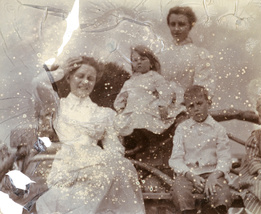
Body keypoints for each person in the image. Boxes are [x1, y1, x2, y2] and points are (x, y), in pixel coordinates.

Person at [32, 56, 145, 214]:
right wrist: (61, 71)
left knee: (122, 168)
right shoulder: (58, 106)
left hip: (97, 163)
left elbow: (114, 149)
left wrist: (109, 165)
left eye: (90, 78)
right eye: (80, 76)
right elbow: (38, 83)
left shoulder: (104, 114)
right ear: (69, 77)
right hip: (68, 163)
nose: (85, 82)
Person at [169, 85, 232, 214]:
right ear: (187, 109)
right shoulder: (182, 129)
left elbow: (225, 158)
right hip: (188, 174)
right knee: (180, 191)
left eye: (199, 103)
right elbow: (176, 159)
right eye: (191, 106)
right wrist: (190, 175)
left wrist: (215, 175)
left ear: (209, 103)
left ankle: (213, 211)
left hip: (213, 173)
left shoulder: (218, 129)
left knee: (222, 194)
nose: (196, 109)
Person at [114, 46, 183, 157]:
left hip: (149, 108)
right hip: (131, 109)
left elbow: (165, 92)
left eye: (143, 59)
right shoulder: (130, 82)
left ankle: (147, 142)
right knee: (118, 122)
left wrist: (162, 105)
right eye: (135, 60)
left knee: (139, 117)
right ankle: (131, 144)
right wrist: (120, 107)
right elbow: (121, 96)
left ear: (151, 62)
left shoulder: (154, 77)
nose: (139, 62)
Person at [158, 6, 216, 103]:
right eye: (173, 24)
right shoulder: (160, 54)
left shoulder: (199, 54)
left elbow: (204, 88)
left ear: (190, 25)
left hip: (187, 109)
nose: (176, 29)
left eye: (181, 24)